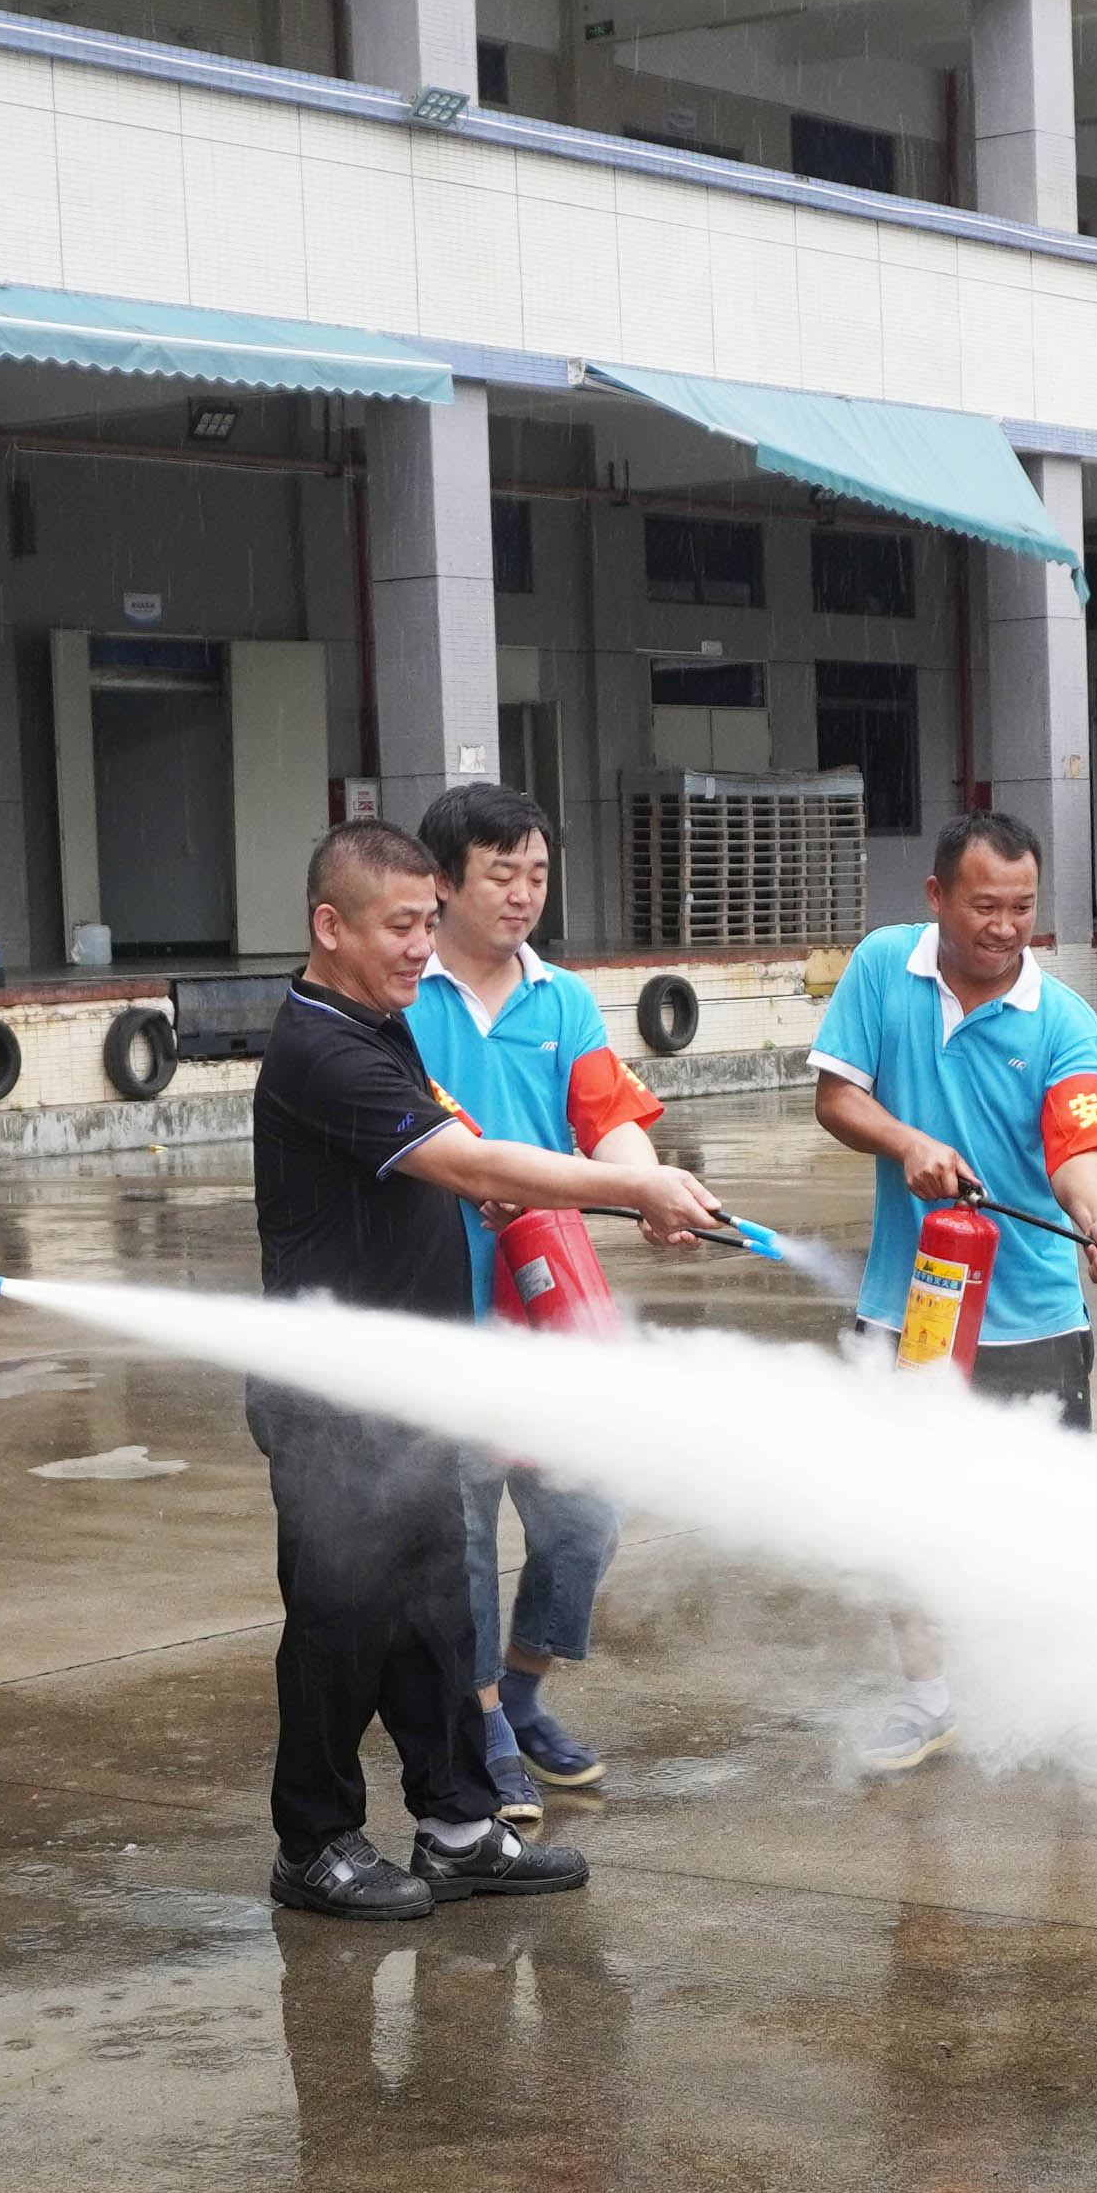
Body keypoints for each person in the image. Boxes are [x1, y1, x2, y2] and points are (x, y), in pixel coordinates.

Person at [256, 816, 736, 1920]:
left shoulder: (379, 1023)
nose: (421, 947)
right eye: (400, 926)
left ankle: (461, 1828)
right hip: (336, 1399)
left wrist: (482, 1190)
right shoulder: (321, 1045)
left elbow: (437, 1156)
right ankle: (313, 1844)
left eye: (428, 922)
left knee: (434, 1620)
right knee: (340, 1625)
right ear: (330, 926)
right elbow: (464, 1157)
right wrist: (633, 1187)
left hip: (417, 1384)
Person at [808, 812, 1097, 1774]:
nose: (1005, 927)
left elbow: (1078, 1146)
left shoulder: (1064, 1022)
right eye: (985, 905)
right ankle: (926, 1699)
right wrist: (907, 1142)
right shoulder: (884, 967)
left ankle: (1073, 1699)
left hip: (1034, 1314)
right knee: (903, 1516)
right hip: (908, 1308)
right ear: (937, 897)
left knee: (1052, 1522)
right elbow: (837, 1097)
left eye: (1023, 908)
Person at [403, 782, 666, 1825]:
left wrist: (649, 1186)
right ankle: (483, 1729)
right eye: (501, 873)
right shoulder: (402, 996)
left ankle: (519, 1692)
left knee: (583, 1521)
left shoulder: (562, 1000)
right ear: (443, 882)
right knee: (464, 1536)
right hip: (444, 1312)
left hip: (550, 1308)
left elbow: (611, 1124)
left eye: (538, 875)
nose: (523, 895)